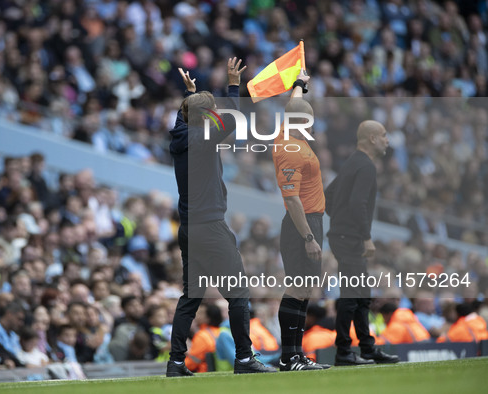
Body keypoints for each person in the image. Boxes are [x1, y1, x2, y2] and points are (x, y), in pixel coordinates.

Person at [166, 58, 275, 376]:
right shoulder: (204, 138)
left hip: (189, 229)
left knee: (191, 296)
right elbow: (234, 116)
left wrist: (191, 93)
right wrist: (232, 85)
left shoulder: (182, 135)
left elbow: (185, 115)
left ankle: (175, 362)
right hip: (211, 228)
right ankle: (244, 358)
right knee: (238, 293)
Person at [325, 120, 399, 365]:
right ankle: (344, 352)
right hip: (350, 238)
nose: (388, 140)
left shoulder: (352, 163)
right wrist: (365, 236)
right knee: (352, 294)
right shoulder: (365, 166)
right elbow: (358, 204)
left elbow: (329, 196)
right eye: (384, 135)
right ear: (372, 139)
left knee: (361, 293)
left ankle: (366, 348)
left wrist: (339, 222)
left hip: (343, 236)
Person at [272, 70, 330, 371]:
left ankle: (295, 355)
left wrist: (299, 84)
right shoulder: (289, 150)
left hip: (311, 220)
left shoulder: (288, 130)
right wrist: (308, 237)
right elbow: (292, 199)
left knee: (306, 288)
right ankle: (290, 356)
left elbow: (292, 105)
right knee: (297, 288)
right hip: (301, 223)